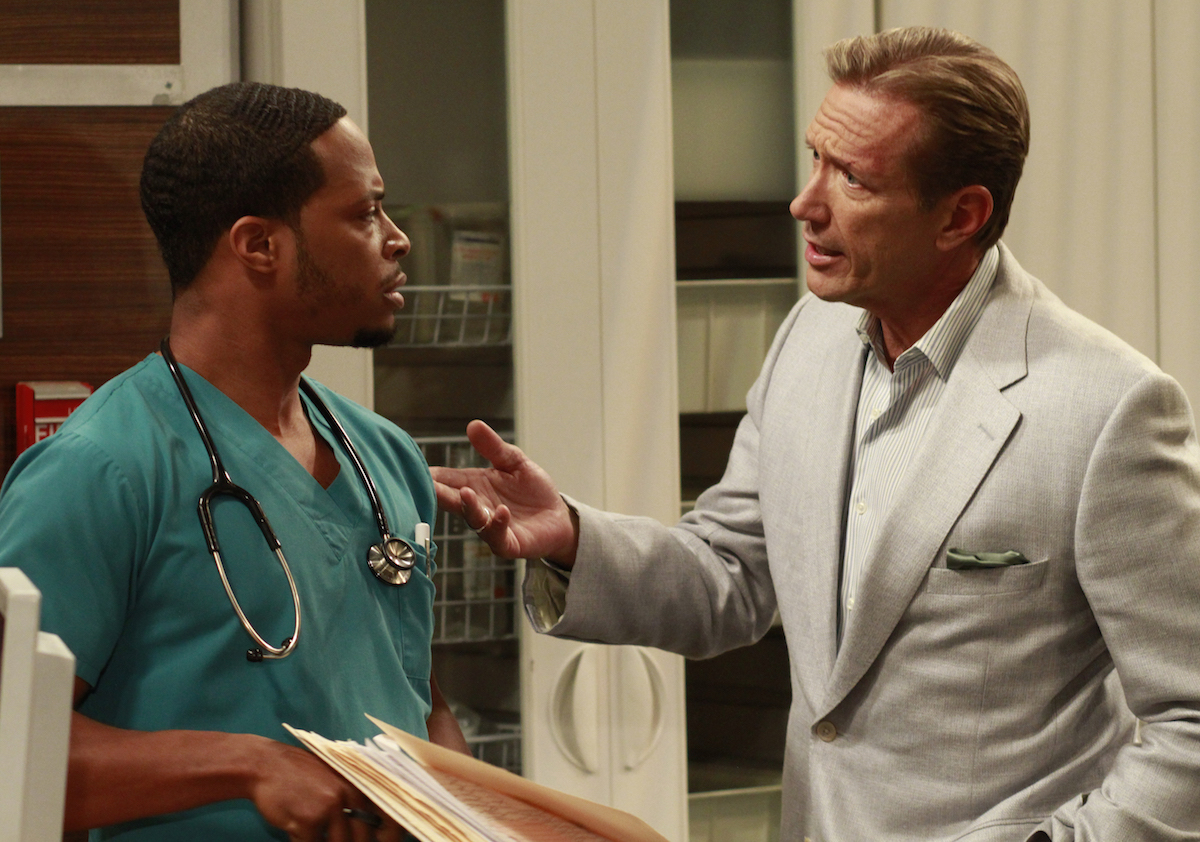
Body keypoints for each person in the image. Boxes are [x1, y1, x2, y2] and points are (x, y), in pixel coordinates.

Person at [432, 27, 1200, 842]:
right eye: (815, 160)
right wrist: (572, 539)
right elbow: (731, 571)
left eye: (853, 178)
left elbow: (1190, 720)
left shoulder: (1108, 408)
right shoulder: (809, 337)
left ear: (961, 215)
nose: (806, 203)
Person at [0, 82, 469, 841]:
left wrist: (455, 811)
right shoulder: (101, 472)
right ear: (258, 245)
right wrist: (247, 766)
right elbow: (10, 752)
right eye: (364, 213)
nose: (397, 239)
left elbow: (418, 696)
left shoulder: (387, 457)